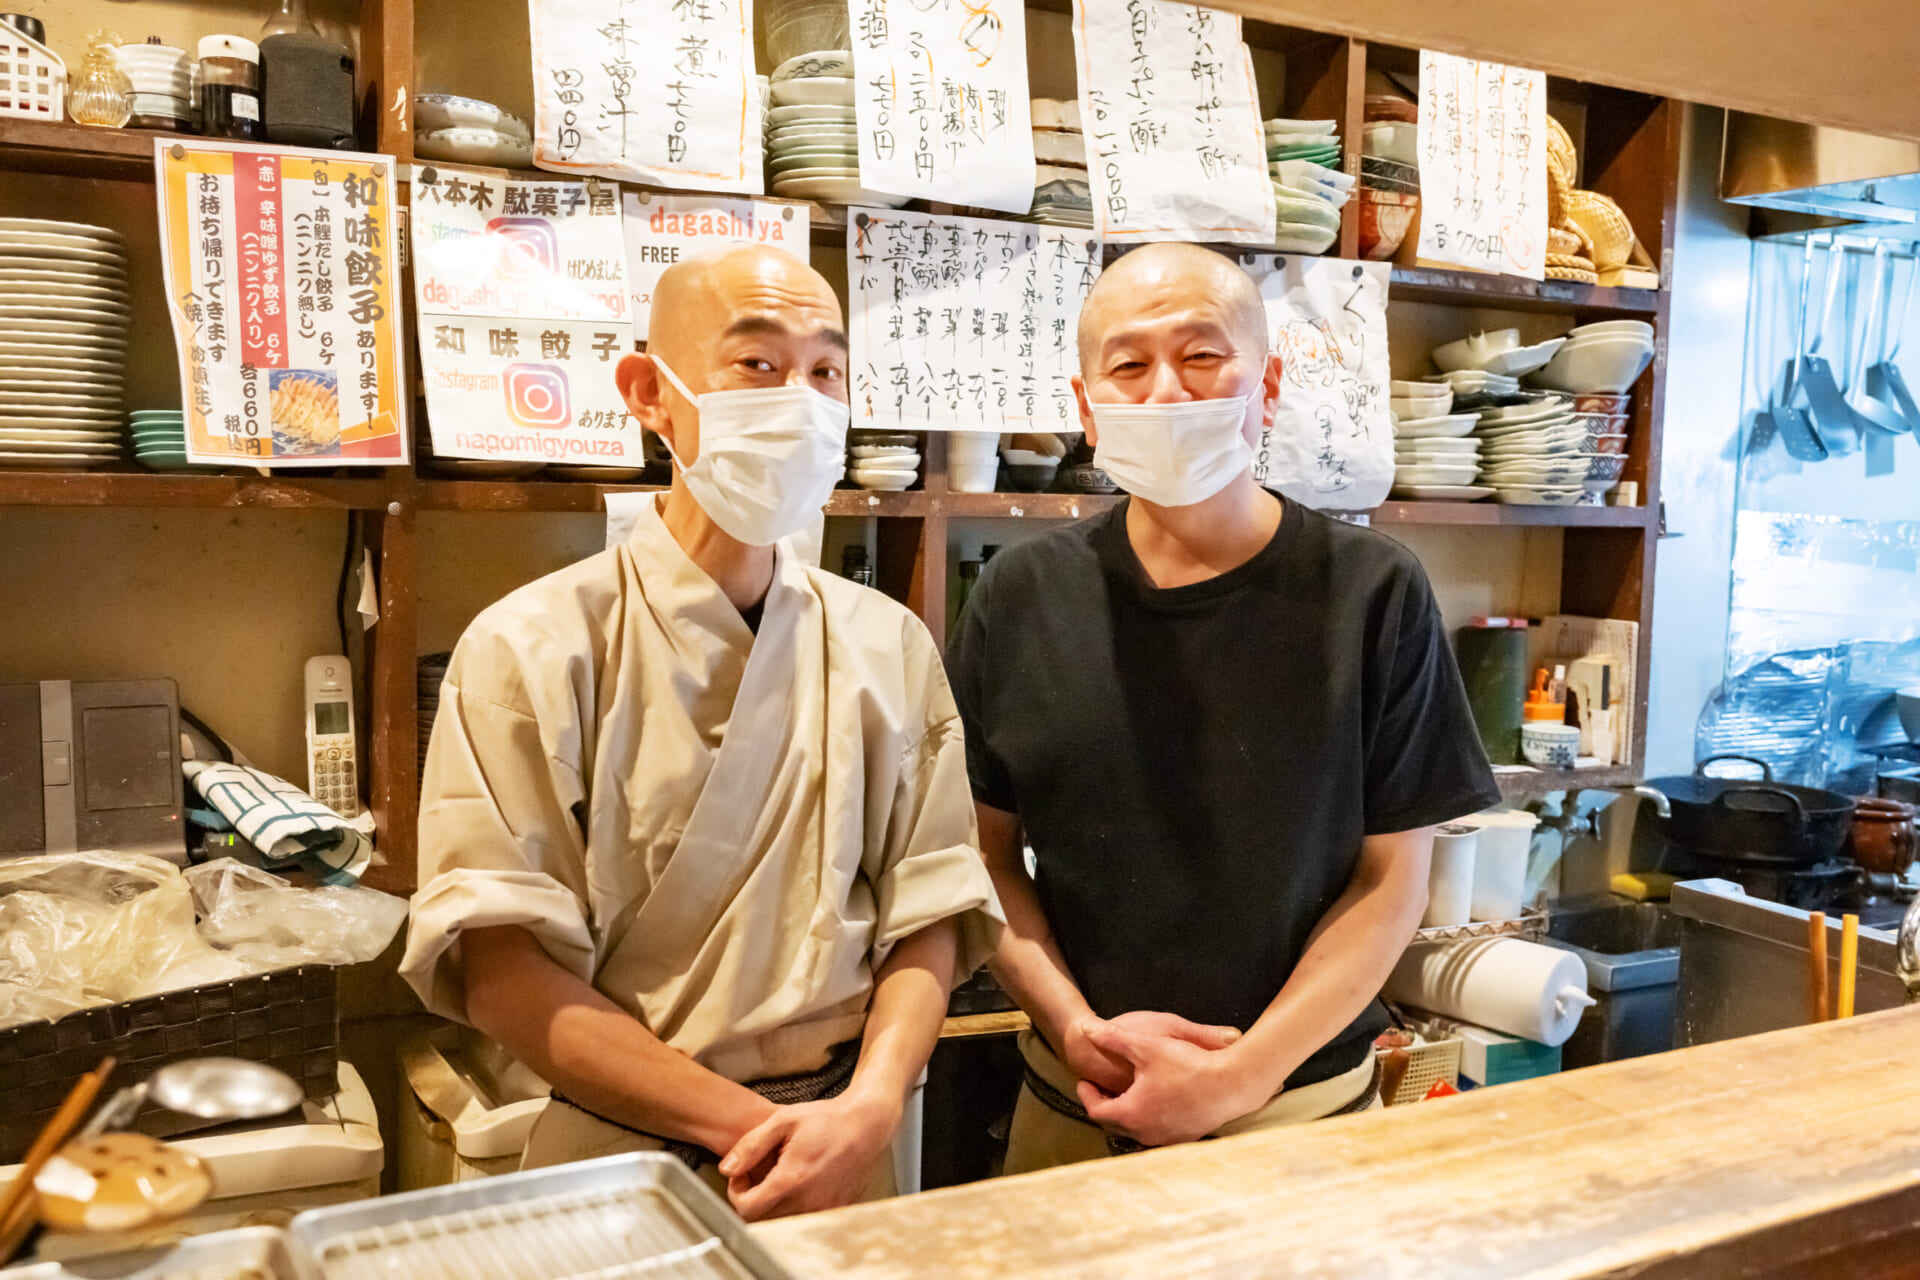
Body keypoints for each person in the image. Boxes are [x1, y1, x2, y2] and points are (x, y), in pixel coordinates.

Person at [400, 245, 1002, 1220]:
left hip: (850, 1145)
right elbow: (504, 974)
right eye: (758, 365)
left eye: (825, 371)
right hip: (624, 1156)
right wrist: (752, 1128)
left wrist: (873, 1104)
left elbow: (929, 912)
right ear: (652, 393)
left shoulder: (887, 642)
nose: (799, 399)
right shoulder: (530, 647)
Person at [947, 243, 1499, 1172]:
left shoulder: (1371, 592)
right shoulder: (1019, 594)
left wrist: (1245, 1074)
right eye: (1128, 365)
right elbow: (983, 856)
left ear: (1268, 385)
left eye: (1203, 356)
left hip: (1301, 1115)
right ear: (1088, 410)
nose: (1167, 392)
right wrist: (1076, 1026)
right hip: (1074, 1103)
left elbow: (1391, 882)